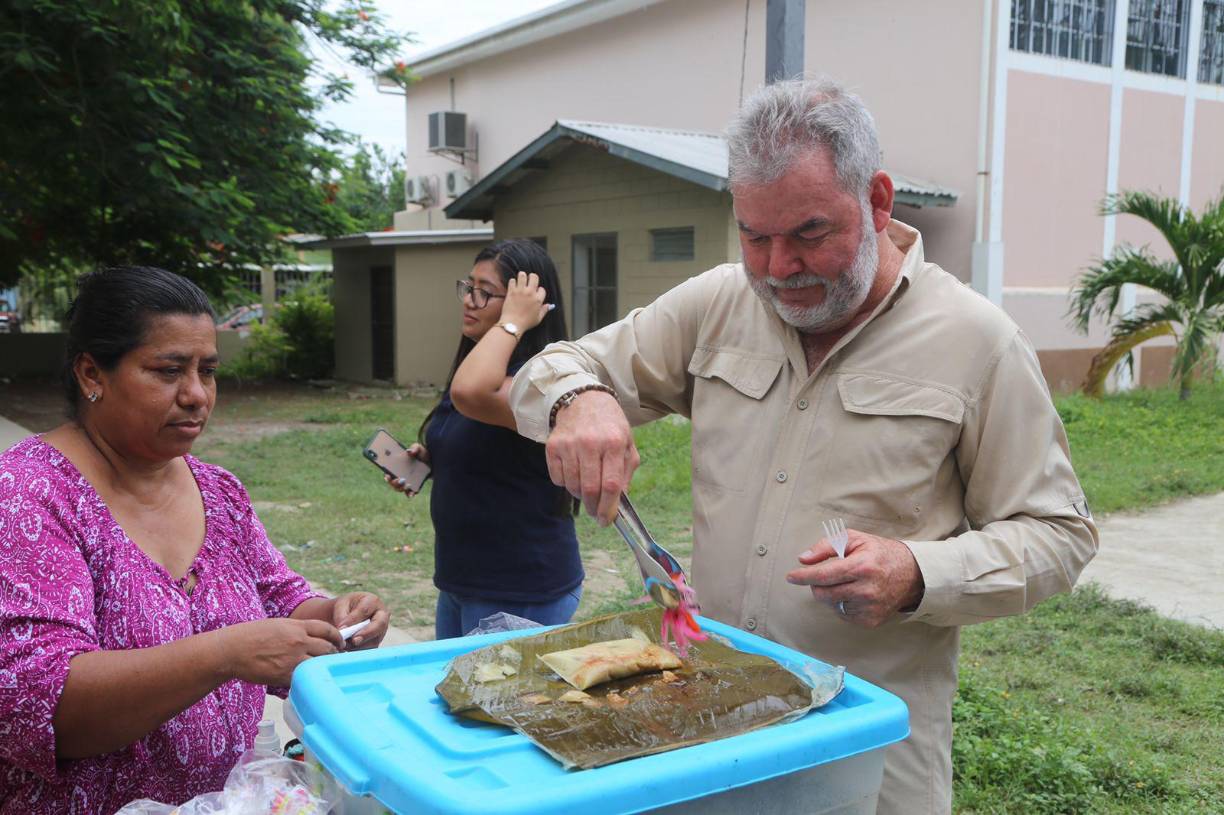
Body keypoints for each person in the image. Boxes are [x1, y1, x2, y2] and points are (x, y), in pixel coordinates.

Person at [507, 78, 1099, 814]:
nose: (777, 267)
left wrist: (920, 570)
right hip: (713, 732)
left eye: (810, 233)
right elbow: (545, 369)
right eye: (754, 234)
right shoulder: (718, 303)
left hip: (870, 748)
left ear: (879, 200)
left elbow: (1060, 533)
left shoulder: (977, 342)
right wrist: (579, 397)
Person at [0, 267, 390, 814]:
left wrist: (338, 615)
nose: (196, 395)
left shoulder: (217, 489)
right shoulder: (27, 495)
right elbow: (43, 707)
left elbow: (279, 599)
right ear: (93, 372)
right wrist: (225, 654)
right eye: (167, 371)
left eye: (207, 371)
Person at [387, 239, 583, 639]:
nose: (470, 301)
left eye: (485, 292)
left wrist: (512, 322)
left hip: (519, 587)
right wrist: (432, 459)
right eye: (468, 286)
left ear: (525, 305)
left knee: (491, 702)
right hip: (463, 580)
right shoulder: (476, 367)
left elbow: (474, 395)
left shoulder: (539, 380)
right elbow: (490, 448)